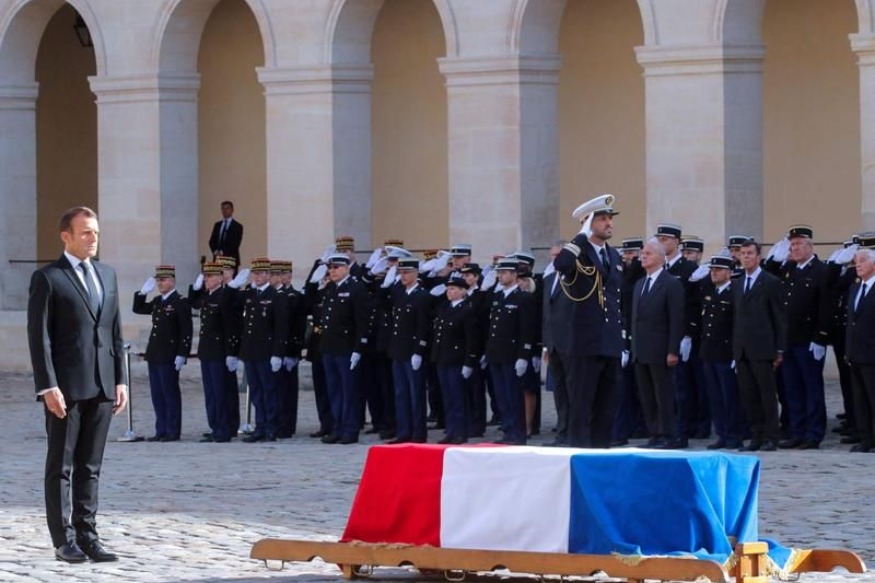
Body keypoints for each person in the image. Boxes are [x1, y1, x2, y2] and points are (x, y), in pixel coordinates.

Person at [27, 206, 128, 563]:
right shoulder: (48, 278)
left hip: (102, 386)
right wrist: (47, 386)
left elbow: (115, 331)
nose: (93, 239)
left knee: (91, 467)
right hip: (65, 389)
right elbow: (39, 338)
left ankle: (88, 535)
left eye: (96, 232)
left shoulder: (107, 274)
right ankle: (63, 539)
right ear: (66, 236)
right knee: (62, 466)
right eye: (85, 232)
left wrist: (121, 380)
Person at [553, 194, 624, 448]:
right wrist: (580, 237)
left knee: (606, 408)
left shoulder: (614, 256)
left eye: (610, 219)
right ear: (588, 223)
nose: (609, 224)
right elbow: (561, 264)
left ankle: (601, 455)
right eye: (602, 218)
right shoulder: (578, 252)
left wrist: (622, 338)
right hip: (584, 344)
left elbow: (616, 298)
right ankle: (580, 456)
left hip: (610, 343)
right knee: (581, 407)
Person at [765, 225, 831, 450]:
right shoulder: (788, 269)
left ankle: (813, 434)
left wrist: (821, 337)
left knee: (811, 389)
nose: (794, 248)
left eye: (799, 244)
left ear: (810, 247)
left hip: (809, 340)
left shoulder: (821, 270)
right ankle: (797, 431)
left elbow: (826, 307)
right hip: (789, 340)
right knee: (791, 389)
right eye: (792, 244)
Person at [630, 238, 685, 448]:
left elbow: (676, 319)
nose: (643, 257)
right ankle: (654, 434)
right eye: (643, 253)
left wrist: (673, 350)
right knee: (647, 396)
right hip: (641, 350)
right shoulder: (640, 283)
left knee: (663, 395)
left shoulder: (671, 283)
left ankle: (668, 435)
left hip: (660, 350)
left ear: (661, 258)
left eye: (648, 254)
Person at [733, 239, 786, 452]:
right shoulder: (737, 283)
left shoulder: (771, 282)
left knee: (766, 394)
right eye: (742, 253)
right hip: (742, 348)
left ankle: (771, 436)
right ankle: (756, 435)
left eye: (749, 253)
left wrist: (779, 348)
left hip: (763, 347)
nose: (745, 257)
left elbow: (779, 317)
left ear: (758, 257)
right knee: (749, 395)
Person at [132, 265, 193, 443]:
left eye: (163, 280)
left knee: (170, 394)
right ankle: (161, 429)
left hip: (170, 355)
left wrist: (183, 353)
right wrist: (142, 292)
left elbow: (186, 331)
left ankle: (173, 430)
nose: (160, 283)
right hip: (155, 353)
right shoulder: (158, 301)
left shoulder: (180, 302)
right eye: (158, 280)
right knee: (157, 394)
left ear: (172, 281)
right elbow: (139, 308)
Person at [485, 258, 536, 445]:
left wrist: (524, 355)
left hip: (512, 355)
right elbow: (492, 327)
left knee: (513, 395)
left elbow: (527, 329)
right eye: (499, 272)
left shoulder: (523, 298)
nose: (500, 275)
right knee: (501, 395)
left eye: (504, 272)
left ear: (514, 275)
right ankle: (508, 431)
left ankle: (518, 433)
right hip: (497, 353)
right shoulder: (498, 297)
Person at [191, 262, 239, 443]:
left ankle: (224, 429)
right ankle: (215, 426)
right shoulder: (206, 297)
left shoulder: (223, 296)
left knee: (221, 393)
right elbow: (192, 303)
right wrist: (194, 288)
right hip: (207, 351)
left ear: (220, 277)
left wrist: (231, 353)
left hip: (220, 352)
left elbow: (229, 327)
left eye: (210, 276)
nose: (206, 280)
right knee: (211, 393)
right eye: (205, 276)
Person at [699, 255, 743, 449]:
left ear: (730, 272)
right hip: (709, 352)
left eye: (718, 269)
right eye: (712, 270)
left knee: (730, 397)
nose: (714, 273)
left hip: (726, 353)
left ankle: (734, 435)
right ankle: (722, 434)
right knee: (715, 397)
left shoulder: (734, 293)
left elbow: (737, 326)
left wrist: (736, 353)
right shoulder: (711, 292)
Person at [845, 240, 875, 452]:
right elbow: (850, 323)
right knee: (860, 399)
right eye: (856, 262)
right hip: (855, 353)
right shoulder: (855, 289)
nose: (858, 265)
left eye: (863, 261)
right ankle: (865, 438)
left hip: (872, 353)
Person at [208, 200, 244, 267]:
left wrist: (222, 252)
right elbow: (211, 241)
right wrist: (216, 252)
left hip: (230, 261)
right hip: (218, 260)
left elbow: (235, 243)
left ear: (232, 210)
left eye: (227, 208)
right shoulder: (217, 225)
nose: (225, 210)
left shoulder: (237, 226)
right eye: (223, 208)